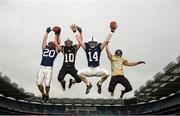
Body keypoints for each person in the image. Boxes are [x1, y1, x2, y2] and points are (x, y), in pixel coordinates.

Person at [71, 23, 117, 94]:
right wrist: (74, 32)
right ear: (89, 43)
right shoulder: (86, 47)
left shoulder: (99, 47)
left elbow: (106, 40)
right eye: (91, 42)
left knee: (107, 73)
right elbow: (80, 41)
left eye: (93, 42)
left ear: (96, 43)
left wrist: (112, 31)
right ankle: (88, 85)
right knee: (79, 73)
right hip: (89, 69)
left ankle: (99, 83)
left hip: (97, 69)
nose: (92, 44)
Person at [36, 27, 60, 102]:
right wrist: (46, 32)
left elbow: (58, 43)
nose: (51, 44)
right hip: (42, 67)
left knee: (47, 84)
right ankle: (43, 94)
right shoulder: (44, 49)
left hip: (49, 68)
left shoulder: (56, 50)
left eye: (52, 44)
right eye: (50, 43)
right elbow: (44, 40)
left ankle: (47, 94)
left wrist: (56, 34)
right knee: (39, 83)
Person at [56, 25, 83, 91]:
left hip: (72, 67)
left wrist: (80, 33)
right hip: (64, 67)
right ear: (65, 43)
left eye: (69, 42)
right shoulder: (63, 48)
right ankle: (63, 83)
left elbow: (81, 42)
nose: (68, 43)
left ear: (71, 43)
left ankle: (72, 81)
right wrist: (57, 34)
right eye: (67, 42)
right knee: (59, 78)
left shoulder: (74, 48)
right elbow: (56, 43)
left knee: (79, 79)